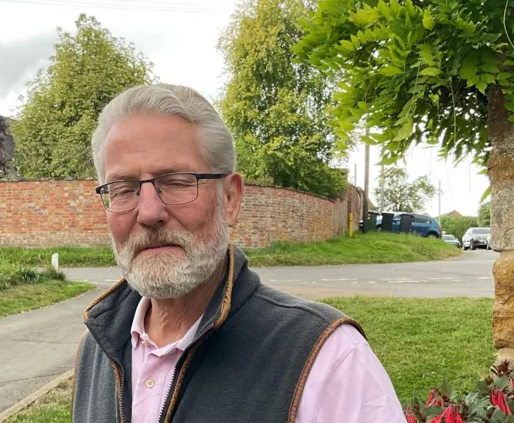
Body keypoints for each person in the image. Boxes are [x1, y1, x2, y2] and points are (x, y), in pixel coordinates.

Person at [72, 83, 406, 423]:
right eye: (123, 189)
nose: (148, 212)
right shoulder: (96, 350)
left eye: (177, 182)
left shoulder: (327, 359)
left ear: (230, 199)